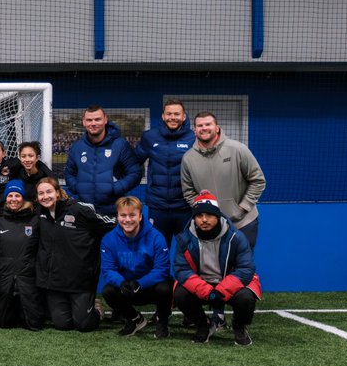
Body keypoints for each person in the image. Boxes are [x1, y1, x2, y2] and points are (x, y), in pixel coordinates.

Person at [172, 191, 261, 345]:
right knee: (180, 294)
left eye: (209, 215)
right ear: (194, 218)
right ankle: (203, 326)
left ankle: (239, 327)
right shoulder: (184, 239)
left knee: (246, 297)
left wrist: (221, 291)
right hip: (202, 284)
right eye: (199, 216)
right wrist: (207, 291)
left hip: (228, 283)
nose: (204, 220)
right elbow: (181, 270)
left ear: (218, 216)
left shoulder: (236, 237)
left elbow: (246, 268)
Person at [27, 177, 116, 332]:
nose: (45, 196)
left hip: (80, 280)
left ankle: (96, 308)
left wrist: (129, 222)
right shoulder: (39, 212)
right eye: (41, 193)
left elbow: (110, 222)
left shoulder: (78, 210)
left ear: (58, 192)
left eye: (49, 191)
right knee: (62, 325)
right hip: (55, 281)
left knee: (84, 325)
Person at [180, 112, 266, 249]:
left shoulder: (238, 149)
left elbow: (258, 180)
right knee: (214, 269)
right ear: (195, 130)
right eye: (200, 125)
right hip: (209, 227)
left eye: (208, 124)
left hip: (243, 223)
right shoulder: (188, 158)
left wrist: (243, 207)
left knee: (242, 267)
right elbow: (188, 192)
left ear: (217, 127)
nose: (204, 128)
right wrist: (203, 211)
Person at [98, 196, 172, 338]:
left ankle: (162, 322)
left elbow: (162, 269)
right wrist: (122, 283)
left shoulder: (156, 237)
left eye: (132, 215)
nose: (127, 220)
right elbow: (108, 269)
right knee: (108, 291)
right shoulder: (109, 239)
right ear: (117, 217)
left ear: (140, 216)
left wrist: (140, 283)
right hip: (127, 288)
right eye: (123, 215)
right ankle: (135, 319)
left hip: (149, 287)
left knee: (166, 288)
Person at [132, 99, 195, 248]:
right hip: (158, 206)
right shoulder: (150, 137)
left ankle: (187, 273)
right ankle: (161, 273)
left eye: (176, 114)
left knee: (188, 251)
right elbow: (135, 161)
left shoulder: (194, 138)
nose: (173, 117)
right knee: (158, 250)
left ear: (184, 116)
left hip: (184, 207)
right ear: (163, 116)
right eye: (169, 114)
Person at [64, 105, 143, 217]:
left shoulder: (120, 145)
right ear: (84, 122)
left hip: (113, 211)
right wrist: (77, 187)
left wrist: (115, 188)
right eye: (89, 120)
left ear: (105, 120)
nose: (93, 123)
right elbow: (69, 173)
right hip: (85, 211)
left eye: (97, 119)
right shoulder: (77, 147)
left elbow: (135, 173)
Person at [0, 180, 37, 329]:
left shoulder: (34, 220)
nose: (13, 199)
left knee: (33, 324)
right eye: (10, 195)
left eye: (17, 195)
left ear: (23, 198)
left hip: (28, 276)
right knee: (3, 323)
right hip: (5, 276)